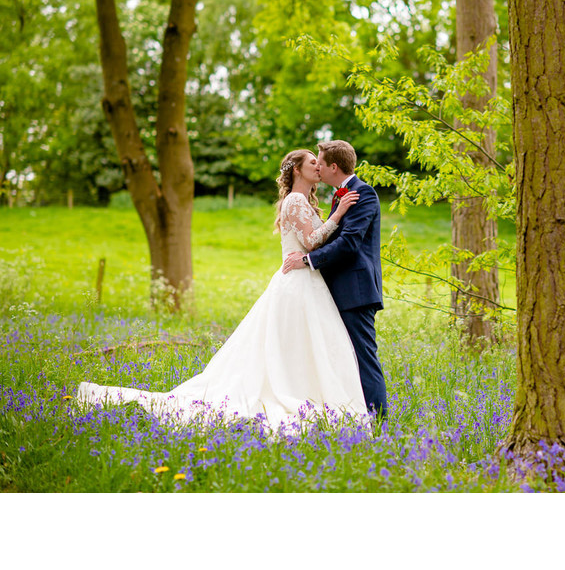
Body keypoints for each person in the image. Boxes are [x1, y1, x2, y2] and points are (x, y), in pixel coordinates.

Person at [76, 149, 369, 429]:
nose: (318, 167)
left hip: (307, 281)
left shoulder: (303, 201)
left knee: (301, 346)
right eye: (311, 162)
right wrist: (338, 214)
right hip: (297, 284)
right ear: (296, 170)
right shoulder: (294, 201)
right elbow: (313, 241)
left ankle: (307, 394)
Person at [282, 140, 387, 420]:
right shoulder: (340, 195)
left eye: (320, 162)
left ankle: (378, 423)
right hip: (331, 290)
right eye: (312, 162)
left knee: (363, 358)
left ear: (333, 167)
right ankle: (348, 415)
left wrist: (307, 261)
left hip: (356, 290)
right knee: (340, 357)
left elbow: (350, 242)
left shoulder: (362, 194)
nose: (317, 167)